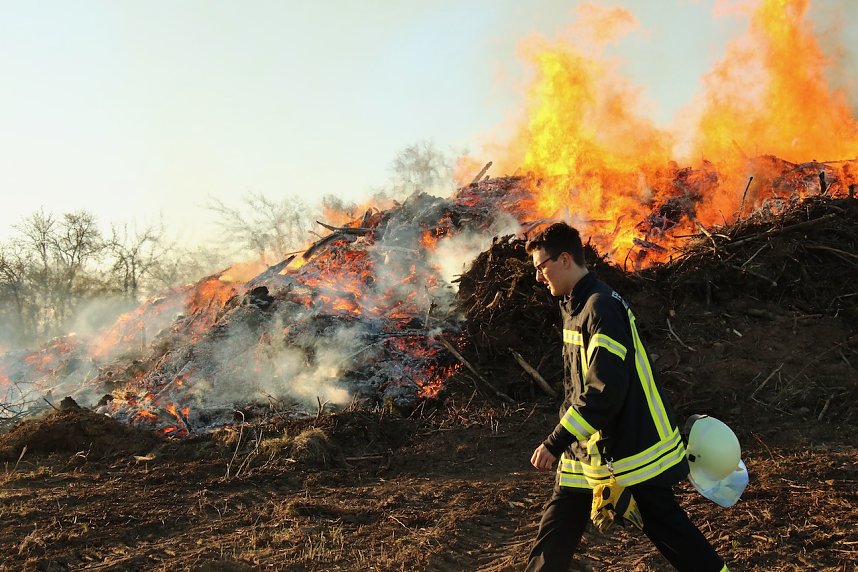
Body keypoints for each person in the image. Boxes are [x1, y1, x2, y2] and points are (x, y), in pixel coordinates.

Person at [524, 222, 727, 572]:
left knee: (674, 535)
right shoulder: (576, 305)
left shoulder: (600, 307)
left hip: (634, 450)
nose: (539, 277)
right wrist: (570, 442)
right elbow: (580, 385)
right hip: (586, 451)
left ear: (566, 259)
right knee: (555, 534)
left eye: (542, 267)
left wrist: (556, 441)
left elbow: (604, 391)